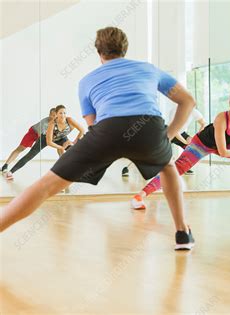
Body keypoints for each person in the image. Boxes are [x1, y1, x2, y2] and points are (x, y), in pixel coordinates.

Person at [0, 26, 197, 250]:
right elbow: (188, 101)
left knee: (47, 184)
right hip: (149, 127)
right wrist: (167, 136)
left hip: (108, 129)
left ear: (98, 52)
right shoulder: (149, 69)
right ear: (125, 48)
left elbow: (92, 123)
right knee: (168, 166)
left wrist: (106, 147)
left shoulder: (86, 81)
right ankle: (182, 232)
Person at [130, 89, 230, 210]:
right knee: (177, 169)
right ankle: (140, 196)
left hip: (226, 144)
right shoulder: (222, 118)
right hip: (201, 144)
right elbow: (222, 153)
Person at [121, 106, 206, 177]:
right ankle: (127, 168)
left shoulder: (195, 112)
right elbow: (175, 131)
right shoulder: (175, 111)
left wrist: (195, 137)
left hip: (181, 132)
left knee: (191, 150)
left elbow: (203, 123)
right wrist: (185, 141)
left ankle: (184, 167)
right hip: (168, 131)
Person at [2, 108, 57, 179]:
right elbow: (41, 137)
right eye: (53, 115)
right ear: (49, 115)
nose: (54, 117)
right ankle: (5, 165)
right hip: (33, 132)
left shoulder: (57, 122)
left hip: (42, 135)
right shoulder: (44, 123)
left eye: (56, 115)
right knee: (21, 148)